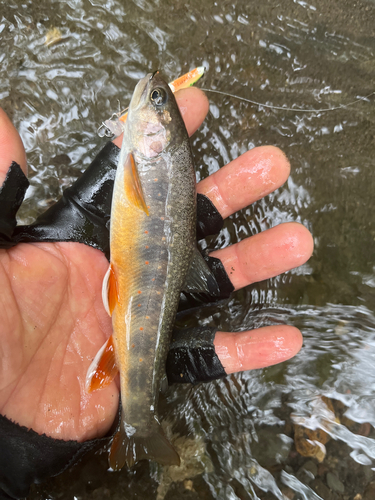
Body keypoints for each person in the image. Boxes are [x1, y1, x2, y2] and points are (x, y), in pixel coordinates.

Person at [0, 87, 313, 499]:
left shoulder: (143, 154)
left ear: (157, 137)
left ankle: (137, 424)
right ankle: (137, 424)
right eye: (159, 99)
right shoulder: (143, 149)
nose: (150, 94)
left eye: (155, 99)